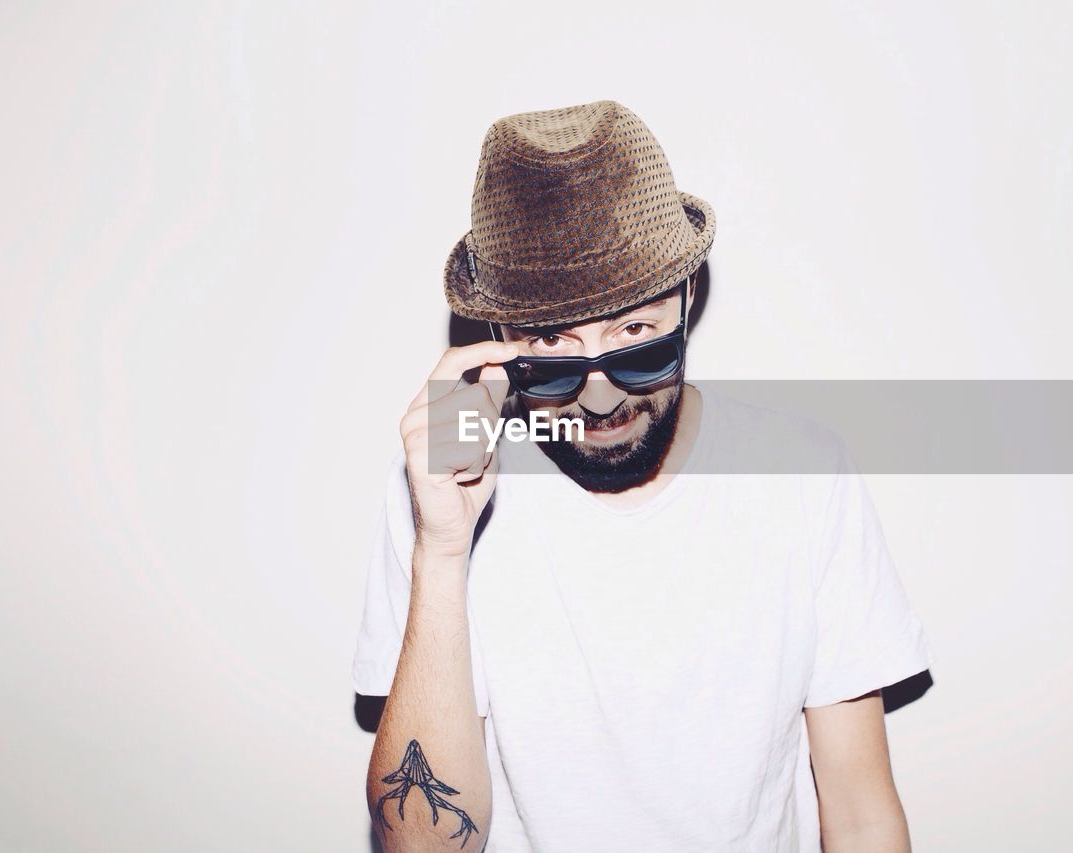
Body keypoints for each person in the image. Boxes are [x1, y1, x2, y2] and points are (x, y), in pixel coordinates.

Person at [354, 100, 935, 852]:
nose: (599, 395)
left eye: (635, 336)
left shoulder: (803, 477)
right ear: (498, 342)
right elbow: (423, 844)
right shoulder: (442, 489)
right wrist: (441, 549)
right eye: (552, 348)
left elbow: (859, 815)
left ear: (688, 302)